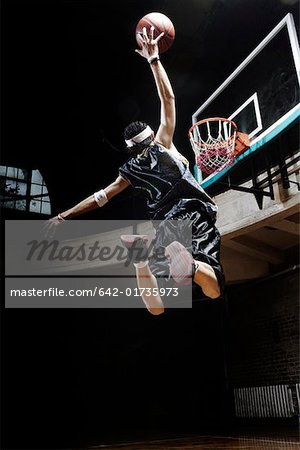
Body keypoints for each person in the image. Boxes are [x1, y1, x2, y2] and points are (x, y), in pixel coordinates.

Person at [48, 26, 225, 315]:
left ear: (130, 148)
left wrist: (63, 215)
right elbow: (168, 100)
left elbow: (100, 197)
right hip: (197, 214)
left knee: (156, 308)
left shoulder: (129, 170)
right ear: (151, 135)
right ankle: (191, 265)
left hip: (166, 227)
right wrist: (154, 60)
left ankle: (141, 261)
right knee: (214, 289)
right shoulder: (163, 143)